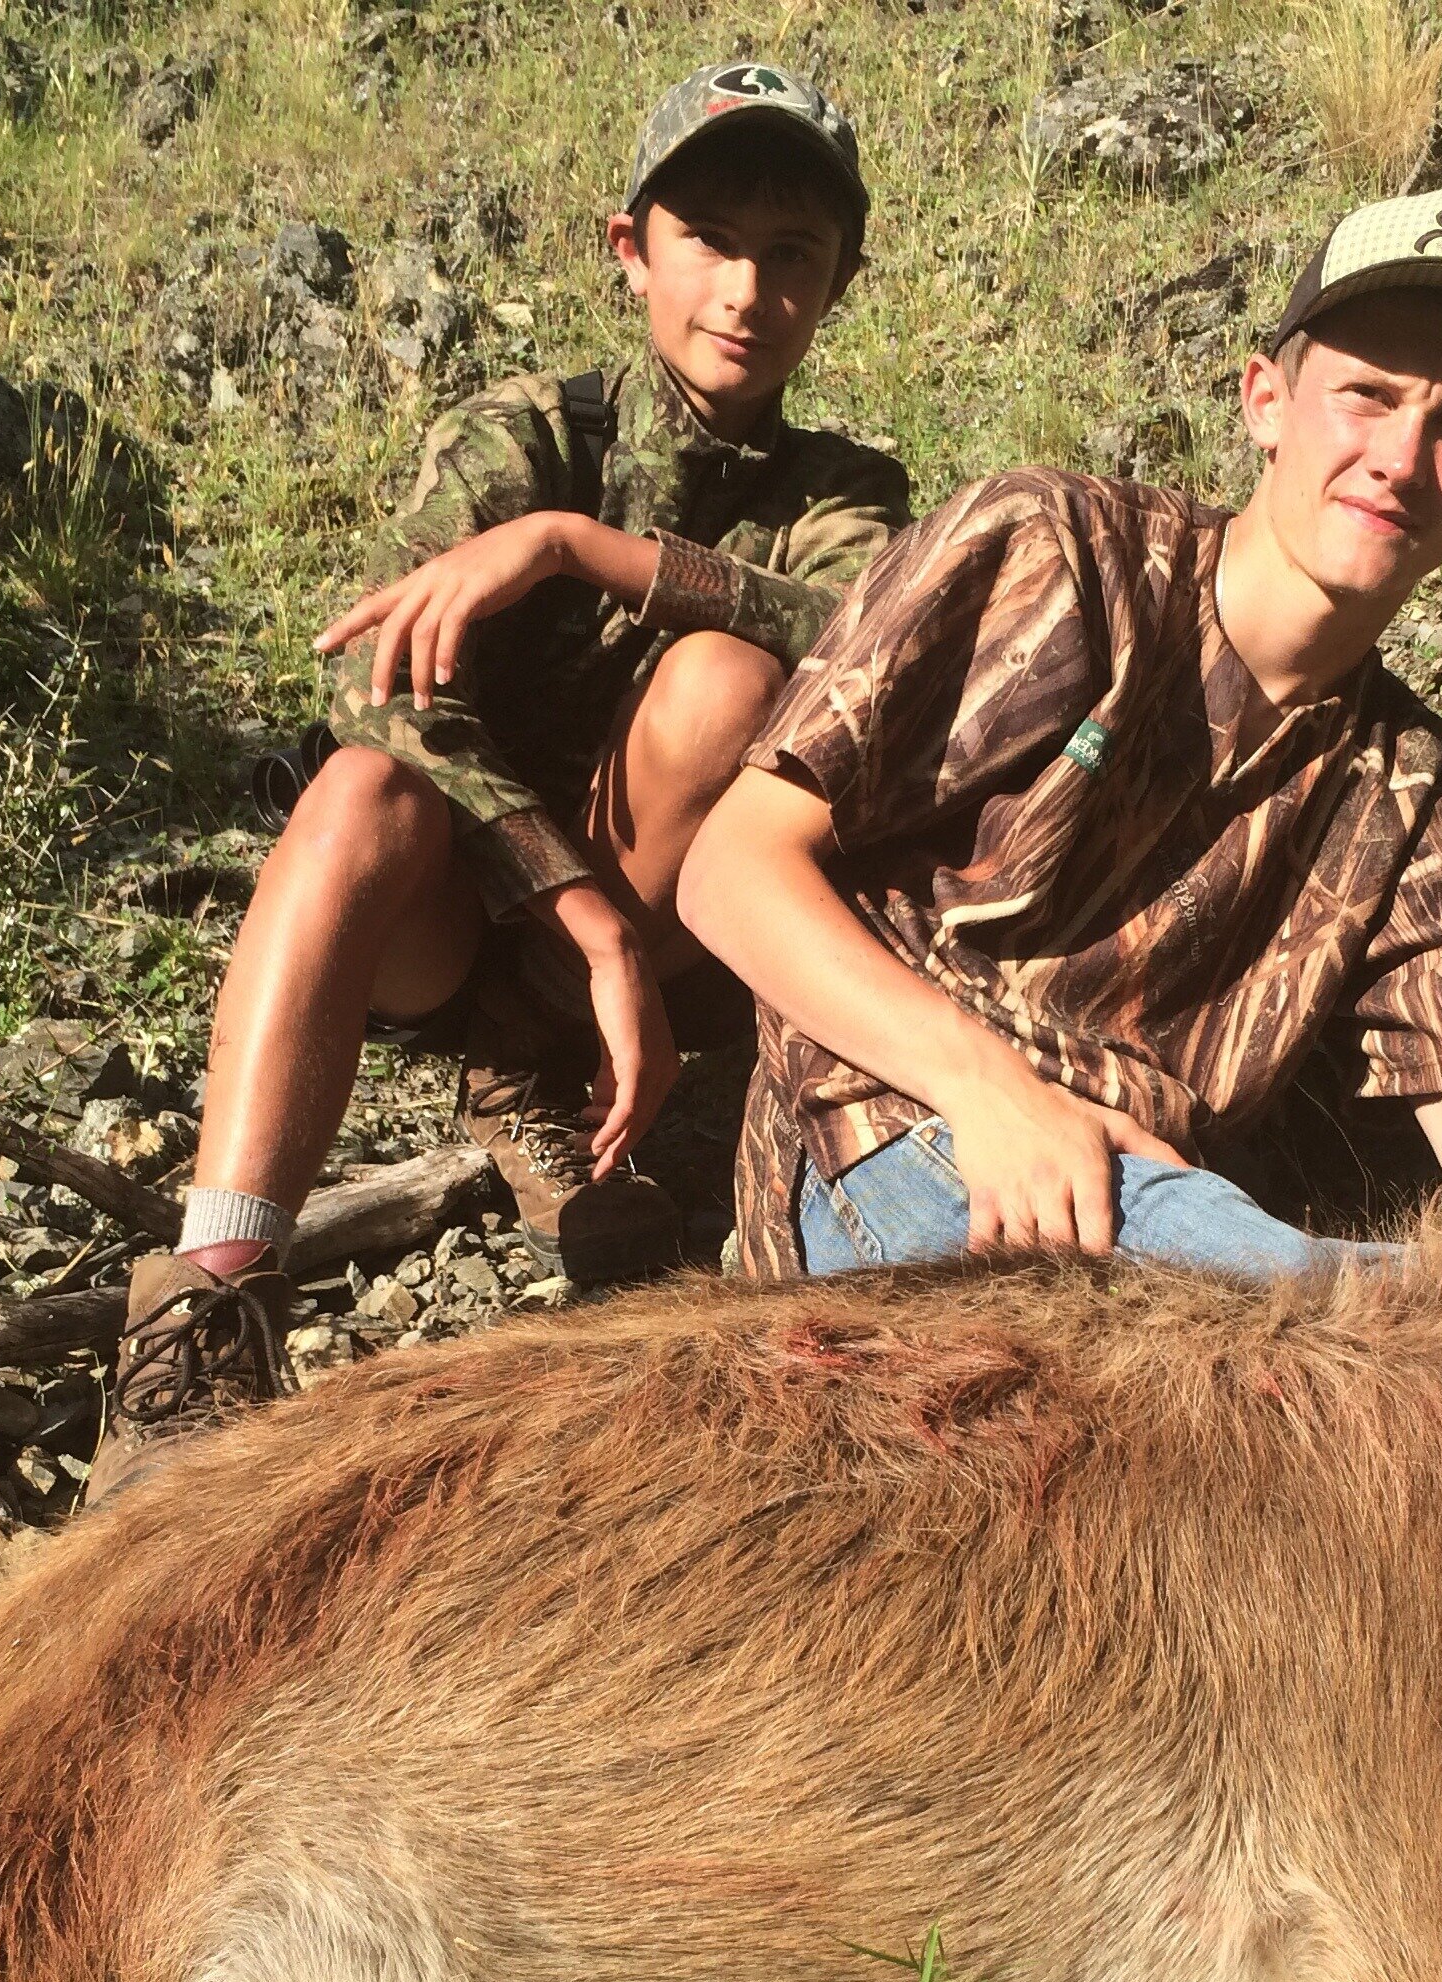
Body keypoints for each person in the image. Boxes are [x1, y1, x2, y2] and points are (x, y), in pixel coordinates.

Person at [90, 62, 909, 1501]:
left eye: (795, 256)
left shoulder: (846, 495)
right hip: (477, 929)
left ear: (841, 282)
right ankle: (206, 1304)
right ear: (630, 248)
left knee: (726, 681)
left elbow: (864, 638)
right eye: (709, 239)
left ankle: (559, 1092)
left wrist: (573, 552)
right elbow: (366, 681)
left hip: (681, 940)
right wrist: (576, 911)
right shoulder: (526, 431)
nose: (746, 287)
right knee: (356, 788)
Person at [679, 188, 1442, 1282]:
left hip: (1158, 1205)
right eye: (1366, 397)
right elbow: (731, 868)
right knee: (1360, 1327)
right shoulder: (1060, 555)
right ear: (1266, 401)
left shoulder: (1408, 797)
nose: (1400, 457)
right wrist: (993, 1090)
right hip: (906, 1134)